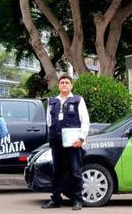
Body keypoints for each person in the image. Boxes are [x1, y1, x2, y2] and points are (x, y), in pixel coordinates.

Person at [41, 75, 90, 211]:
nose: (64, 84)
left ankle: (77, 200)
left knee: (75, 172)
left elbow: (85, 121)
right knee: (57, 172)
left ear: (71, 86)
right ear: (59, 86)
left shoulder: (78, 100)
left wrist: (81, 139)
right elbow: (49, 121)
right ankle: (55, 199)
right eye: (62, 82)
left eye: (67, 82)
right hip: (56, 142)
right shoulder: (52, 101)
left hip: (73, 143)